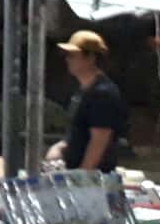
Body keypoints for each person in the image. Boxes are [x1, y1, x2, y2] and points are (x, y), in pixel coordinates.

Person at [45, 31, 129, 173]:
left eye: (72, 55)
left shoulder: (103, 94)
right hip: (73, 173)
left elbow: (99, 141)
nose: (67, 59)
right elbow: (79, 133)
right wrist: (59, 148)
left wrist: (83, 176)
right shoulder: (84, 91)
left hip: (94, 182)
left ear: (90, 58)